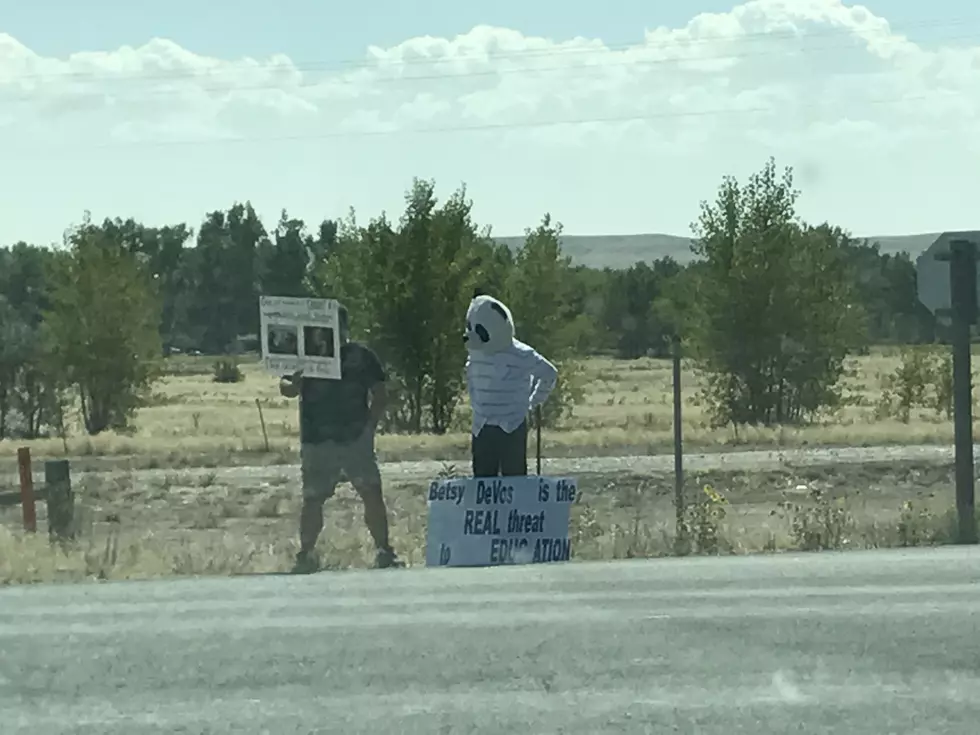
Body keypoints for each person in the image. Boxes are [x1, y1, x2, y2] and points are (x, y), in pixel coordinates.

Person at [279, 305, 402, 573]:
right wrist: (296, 383)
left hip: (354, 438)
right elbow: (286, 388)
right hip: (317, 440)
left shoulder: (361, 356)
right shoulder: (307, 357)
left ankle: (384, 551)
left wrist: (369, 428)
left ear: (344, 327)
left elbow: (380, 392)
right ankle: (306, 555)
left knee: (370, 492)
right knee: (313, 498)